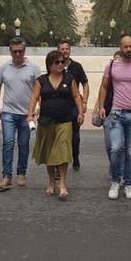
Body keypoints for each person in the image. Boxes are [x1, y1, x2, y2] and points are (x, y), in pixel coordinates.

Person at [97, 35, 131, 200]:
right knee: (115, 149)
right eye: (125, 47)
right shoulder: (112, 65)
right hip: (116, 114)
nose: (128, 49)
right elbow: (104, 86)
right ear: (120, 47)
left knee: (130, 152)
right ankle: (115, 181)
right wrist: (101, 107)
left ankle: (128, 184)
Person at [27, 50, 84, 200]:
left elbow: (76, 96)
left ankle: (63, 184)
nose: (60, 65)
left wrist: (80, 113)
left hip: (65, 121)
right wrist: (30, 114)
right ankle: (51, 182)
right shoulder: (41, 80)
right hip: (46, 121)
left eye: (62, 62)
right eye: (57, 62)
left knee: (63, 152)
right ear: (50, 64)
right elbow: (34, 97)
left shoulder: (69, 79)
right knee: (49, 153)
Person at [0, 37, 40, 191]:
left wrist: (39, 108)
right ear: (10, 51)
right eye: (15, 51)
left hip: (27, 115)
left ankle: (21, 173)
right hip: (8, 113)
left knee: (23, 144)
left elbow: (39, 90)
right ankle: (6, 176)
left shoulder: (33, 68)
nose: (18, 54)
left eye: (20, 51)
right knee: (8, 142)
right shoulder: (4, 68)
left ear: (24, 51)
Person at [58, 40, 89, 171]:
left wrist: (85, 102)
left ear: (70, 50)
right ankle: (59, 161)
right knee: (58, 134)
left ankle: (75, 157)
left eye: (67, 49)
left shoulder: (77, 66)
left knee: (75, 135)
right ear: (58, 50)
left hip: (74, 106)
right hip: (58, 106)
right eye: (62, 49)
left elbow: (85, 83)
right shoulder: (54, 65)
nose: (65, 51)